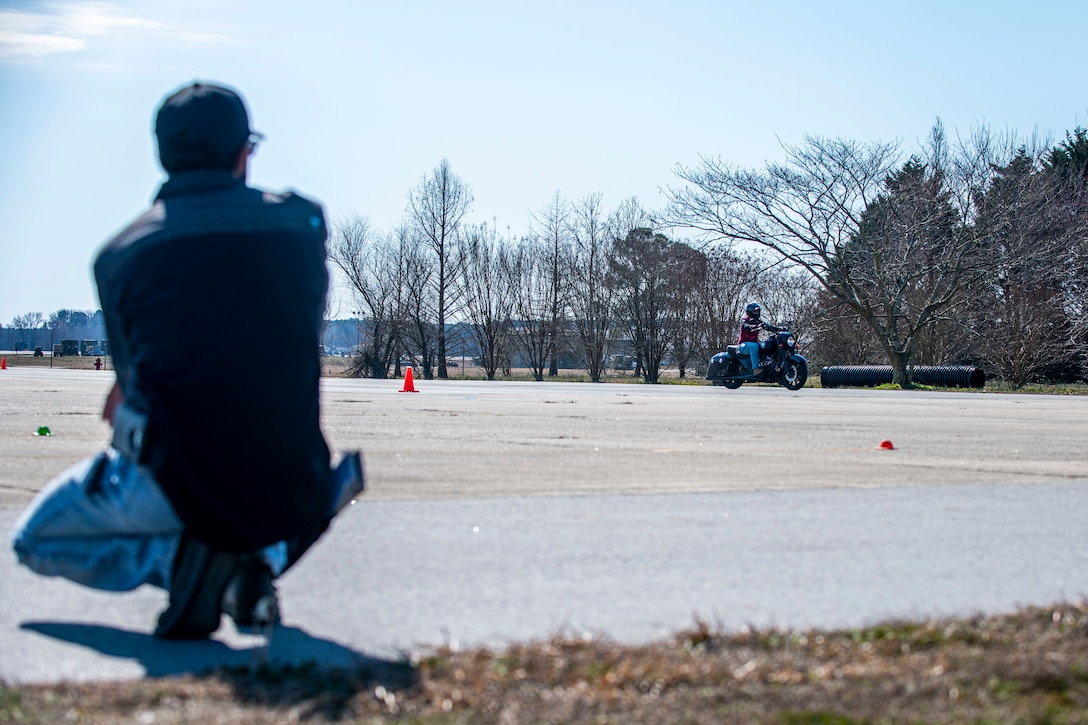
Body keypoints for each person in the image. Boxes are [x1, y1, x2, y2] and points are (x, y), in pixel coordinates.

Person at [10, 82, 363, 639]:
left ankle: (190, 565)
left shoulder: (121, 254)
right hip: (294, 479)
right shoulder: (303, 225)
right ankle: (251, 562)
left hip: (180, 477)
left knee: (34, 541)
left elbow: (132, 391)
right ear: (243, 152)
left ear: (162, 154)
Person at [736, 302, 781, 375]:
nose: (757, 313)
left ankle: (769, 366)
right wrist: (752, 326)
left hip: (753, 344)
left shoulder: (758, 321)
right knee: (754, 346)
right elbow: (745, 326)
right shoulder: (745, 320)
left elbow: (768, 327)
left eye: (758, 311)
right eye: (755, 311)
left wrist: (780, 329)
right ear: (749, 312)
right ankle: (755, 369)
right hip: (743, 345)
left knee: (765, 346)